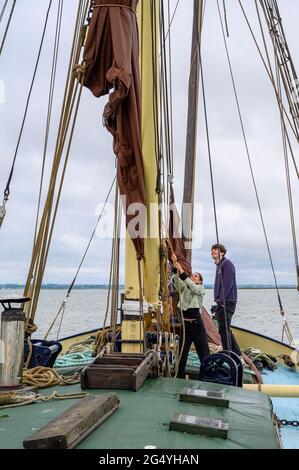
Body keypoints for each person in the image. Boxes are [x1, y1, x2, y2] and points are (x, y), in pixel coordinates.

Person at [171, 253, 210, 379]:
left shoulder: (200, 289)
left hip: (197, 326)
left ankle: (207, 376)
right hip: (186, 326)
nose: (193, 277)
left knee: (204, 354)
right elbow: (177, 282)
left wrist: (182, 271)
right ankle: (179, 377)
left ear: (200, 281)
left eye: (196, 276)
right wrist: (175, 268)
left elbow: (192, 287)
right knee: (181, 354)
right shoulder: (185, 288)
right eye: (193, 275)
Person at [211, 243, 242, 358]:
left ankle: (228, 355)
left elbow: (228, 284)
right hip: (222, 302)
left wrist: (222, 301)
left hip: (227, 302)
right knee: (225, 329)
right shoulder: (219, 265)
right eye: (212, 250)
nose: (213, 251)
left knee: (224, 330)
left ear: (222, 253)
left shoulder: (227, 264)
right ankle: (237, 353)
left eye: (215, 250)